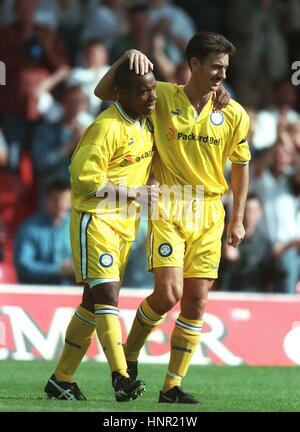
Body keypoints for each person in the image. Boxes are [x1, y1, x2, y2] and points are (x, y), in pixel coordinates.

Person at [95, 32, 251, 403]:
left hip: (211, 211)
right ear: (193, 64)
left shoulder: (233, 112)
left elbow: (242, 167)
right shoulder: (161, 96)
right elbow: (104, 93)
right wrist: (126, 56)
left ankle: (172, 386)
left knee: (196, 303)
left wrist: (237, 218)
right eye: (215, 67)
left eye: (225, 69)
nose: (221, 76)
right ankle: (130, 354)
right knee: (167, 295)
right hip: (169, 203)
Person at [44, 60, 160, 402]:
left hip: (125, 225)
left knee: (93, 303)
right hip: (95, 220)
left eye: (154, 88)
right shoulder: (106, 126)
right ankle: (121, 376)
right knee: (108, 296)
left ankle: (60, 379)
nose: (152, 95)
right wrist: (135, 194)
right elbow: (84, 180)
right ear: (121, 94)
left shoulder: (145, 123)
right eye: (144, 90)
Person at [14, 180, 74, 285]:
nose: (60, 204)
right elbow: (24, 266)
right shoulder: (29, 228)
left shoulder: (77, 227)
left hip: (72, 292)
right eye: (55, 199)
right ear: (46, 200)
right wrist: (57, 270)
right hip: (36, 293)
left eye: (65, 199)